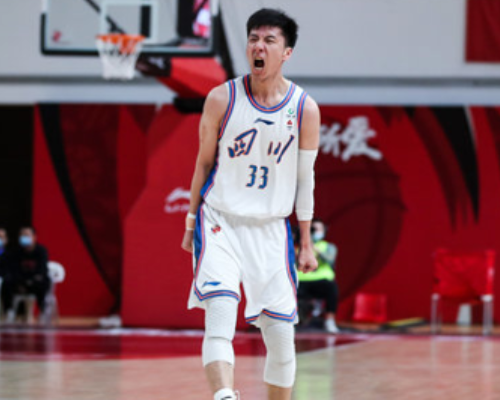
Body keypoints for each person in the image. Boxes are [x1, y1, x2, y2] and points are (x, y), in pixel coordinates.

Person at [181, 8, 320, 400]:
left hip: (271, 228)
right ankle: (224, 396)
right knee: (221, 312)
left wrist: (306, 241)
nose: (258, 47)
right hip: (220, 220)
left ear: (286, 52)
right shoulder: (222, 98)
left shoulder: (304, 109)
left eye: (269, 40)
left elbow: (305, 180)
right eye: (253, 39)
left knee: (281, 337)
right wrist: (191, 222)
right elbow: (203, 164)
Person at [297, 218, 340, 333]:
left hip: (321, 281)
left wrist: (312, 247)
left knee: (332, 288)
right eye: (312, 229)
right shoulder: (299, 246)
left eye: (318, 229)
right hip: (302, 280)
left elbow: (330, 259)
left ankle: (329, 321)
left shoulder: (328, 246)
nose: (315, 232)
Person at [7, 226, 51, 323]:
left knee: (43, 282)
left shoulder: (41, 251)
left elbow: (41, 270)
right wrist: (21, 282)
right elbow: (14, 270)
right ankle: (9, 311)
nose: (24, 237)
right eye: (22, 235)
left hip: (35, 283)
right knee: (8, 282)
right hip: (20, 283)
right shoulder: (15, 252)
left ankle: (43, 311)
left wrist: (30, 281)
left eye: (26, 235)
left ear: (34, 237)